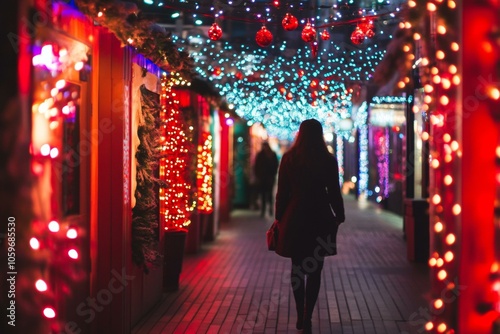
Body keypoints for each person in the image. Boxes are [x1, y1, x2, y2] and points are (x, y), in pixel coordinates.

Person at [274, 119, 345, 333]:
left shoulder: (289, 158)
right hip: (320, 217)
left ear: (300, 134)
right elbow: (333, 191)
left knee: (297, 268)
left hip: (295, 217)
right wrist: (339, 215)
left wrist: (279, 217)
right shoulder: (328, 159)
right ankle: (308, 316)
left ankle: (298, 313)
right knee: (315, 270)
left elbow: (282, 192)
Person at [253, 142, 279, 217]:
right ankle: (265, 210)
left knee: (268, 194)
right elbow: (256, 166)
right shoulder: (263, 155)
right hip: (264, 178)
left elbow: (275, 165)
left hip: (267, 178)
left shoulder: (266, 155)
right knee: (265, 194)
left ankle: (268, 209)